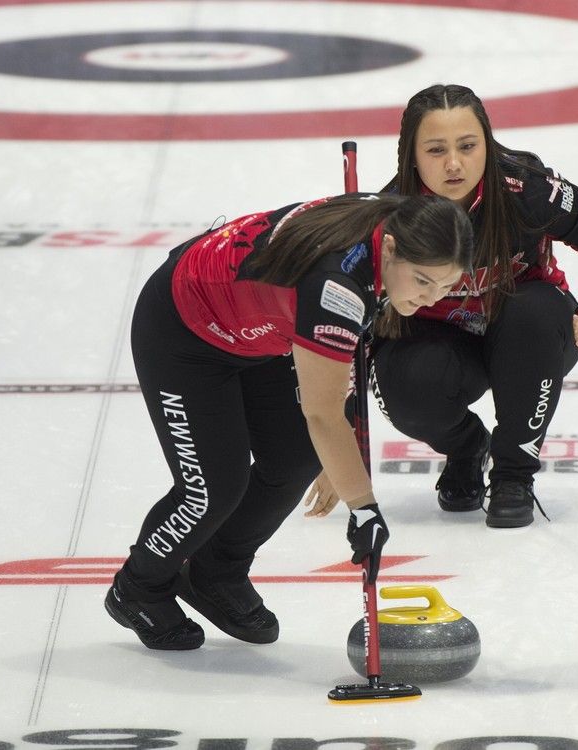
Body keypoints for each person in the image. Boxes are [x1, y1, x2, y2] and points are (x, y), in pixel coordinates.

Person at [104, 193, 473, 650]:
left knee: (298, 456)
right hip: (184, 328)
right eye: (422, 281)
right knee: (212, 488)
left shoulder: (392, 223)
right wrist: (365, 508)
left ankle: (216, 571)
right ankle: (137, 586)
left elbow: (339, 374)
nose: (429, 297)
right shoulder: (336, 287)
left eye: (446, 286)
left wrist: (340, 464)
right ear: (392, 248)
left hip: (262, 328)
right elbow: (321, 410)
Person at [303, 84, 578, 529]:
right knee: (409, 384)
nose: (454, 164)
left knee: (532, 316)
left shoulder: (528, 189)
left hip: (525, 329)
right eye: (436, 150)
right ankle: (465, 447)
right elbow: (348, 328)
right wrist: (337, 443)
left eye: (468, 146)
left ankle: (514, 473)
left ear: (487, 143)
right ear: (412, 155)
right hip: (435, 342)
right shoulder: (389, 216)